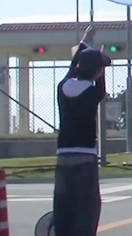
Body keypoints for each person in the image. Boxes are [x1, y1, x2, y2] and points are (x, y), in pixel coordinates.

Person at [53, 26, 111, 236]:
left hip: (63, 155)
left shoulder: (62, 87)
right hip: (85, 156)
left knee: (64, 206)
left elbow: (72, 65)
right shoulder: (94, 92)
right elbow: (100, 82)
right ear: (97, 71)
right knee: (87, 208)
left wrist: (86, 40)